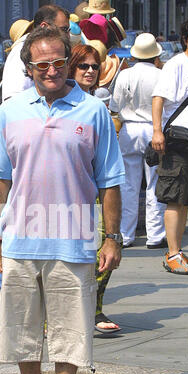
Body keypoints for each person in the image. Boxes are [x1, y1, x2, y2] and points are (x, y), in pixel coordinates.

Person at [0, 26, 125, 374]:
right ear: (27, 68)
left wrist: (112, 237)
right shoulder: (10, 111)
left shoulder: (93, 110)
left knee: (72, 331)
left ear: (69, 63)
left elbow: (111, 180)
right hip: (20, 240)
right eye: (41, 64)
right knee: (20, 330)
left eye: (58, 63)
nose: (51, 71)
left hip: (75, 240)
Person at [0, 5, 71, 309]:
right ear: (46, 27)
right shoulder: (28, 55)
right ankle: (2, 284)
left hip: (30, 126)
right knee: (14, 204)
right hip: (23, 131)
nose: (66, 33)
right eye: (62, 28)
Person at [68, 44, 121, 334]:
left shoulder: (97, 103)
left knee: (109, 247)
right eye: (83, 66)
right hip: (66, 196)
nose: (90, 71)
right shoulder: (62, 103)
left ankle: (93, 308)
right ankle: (57, 317)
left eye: (94, 66)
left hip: (97, 191)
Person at [109, 33, 167, 250]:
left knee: (128, 185)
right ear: (155, 55)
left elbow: (115, 107)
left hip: (130, 129)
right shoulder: (162, 75)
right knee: (154, 184)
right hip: (155, 129)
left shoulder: (126, 75)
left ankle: (126, 234)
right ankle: (155, 235)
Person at [152, 17, 188, 274]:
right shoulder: (177, 64)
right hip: (177, 139)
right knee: (174, 197)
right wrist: (157, 131)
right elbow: (159, 98)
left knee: (185, 199)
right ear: (185, 38)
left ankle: (176, 253)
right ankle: (173, 253)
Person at [2, 4, 70, 102]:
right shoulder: (22, 50)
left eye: (59, 62)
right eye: (63, 29)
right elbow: (13, 96)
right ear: (44, 26)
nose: (67, 35)